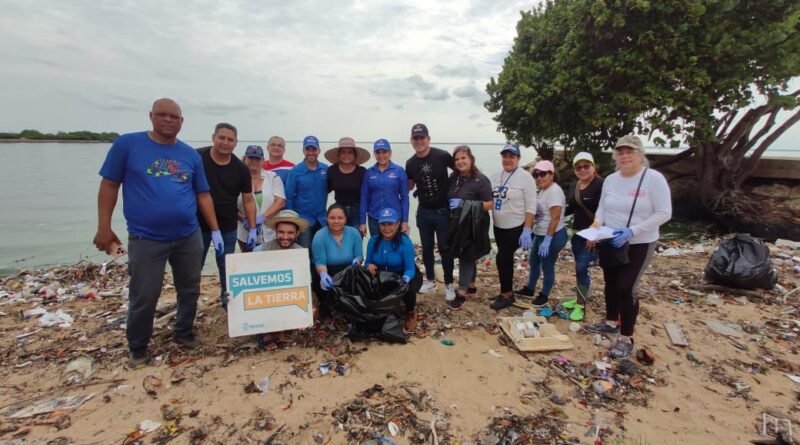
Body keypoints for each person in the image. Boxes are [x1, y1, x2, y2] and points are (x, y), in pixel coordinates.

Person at [93, 98, 221, 369]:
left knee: (190, 288)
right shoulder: (127, 145)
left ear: (181, 122)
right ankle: (138, 346)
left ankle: (183, 331)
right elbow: (109, 185)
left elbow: (203, 195)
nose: (168, 120)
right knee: (145, 294)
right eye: (162, 115)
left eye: (174, 116)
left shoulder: (190, 155)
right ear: (151, 116)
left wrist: (214, 229)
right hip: (146, 237)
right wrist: (104, 227)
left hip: (188, 234)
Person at [585, 135, 671, 359]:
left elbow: (664, 213)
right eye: (620, 152)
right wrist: (596, 227)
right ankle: (611, 322)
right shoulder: (611, 180)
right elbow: (602, 208)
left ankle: (626, 337)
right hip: (610, 239)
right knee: (611, 283)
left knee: (627, 287)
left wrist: (632, 231)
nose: (624, 156)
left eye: (629, 152)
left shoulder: (653, 179)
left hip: (640, 241)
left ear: (640, 154)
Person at [197, 123, 257, 307]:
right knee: (193, 269)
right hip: (197, 226)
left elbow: (248, 200)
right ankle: (189, 306)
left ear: (236, 143)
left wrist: (253, 228)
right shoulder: (197, 157)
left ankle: (228, 305)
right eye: (221, 138)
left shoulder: (241, 169)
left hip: (228, 226)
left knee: (226, 269)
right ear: (213, 137)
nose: (225, 142)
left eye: (230, 139)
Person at [405, 123, 456, 301]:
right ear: (411, 141)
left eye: (422, 138)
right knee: (426, 248)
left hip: (443, 211)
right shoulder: (410, 163)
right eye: (415, 138)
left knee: (445, 248)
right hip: (424, 211)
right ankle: (431, 281)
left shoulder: (441, 155)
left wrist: (454, 190)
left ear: (428, 139)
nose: (419, 141)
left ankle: (449, 284)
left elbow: (459, 171)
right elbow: (409, 185)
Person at [488, 143, 537, 310]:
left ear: (518, 158)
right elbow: (487, 199)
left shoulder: (526, 178)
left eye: (512, 156)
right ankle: (506, 289)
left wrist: (527, 229)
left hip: (516, 226)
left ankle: (506, 294)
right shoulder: (495, 176)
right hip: (498, 225)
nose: (508, 159)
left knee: (502, 258)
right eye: (505, 156)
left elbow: (531, 205)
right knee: (505, 259)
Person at [445, 145, 492, 310]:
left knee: (466, 255)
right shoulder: (454, 178)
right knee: (467, 255)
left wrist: (464, 203)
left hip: (475, 223)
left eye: (463, 158)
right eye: (457, 159)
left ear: (471, 159)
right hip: (458, 223)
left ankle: (462, 293)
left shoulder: (481, 179)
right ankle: (471, 285)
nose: (460, 161)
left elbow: (489, 204)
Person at [515, 160, 568, 308]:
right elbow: (541, 213)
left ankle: (544, 295)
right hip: (540, 233)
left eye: (543, 174)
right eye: (536, 175)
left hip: (553, 235)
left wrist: (548, 239)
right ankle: (530, 288)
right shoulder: (544, 190)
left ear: (551, 174)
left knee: (547, 265)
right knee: (533, 261)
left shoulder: (554, 191)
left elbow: (555, 217)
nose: (539, 178)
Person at [365, 208, 422, 331]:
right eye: (383, 224)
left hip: (404, 274)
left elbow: (410, 269)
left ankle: (410, 312)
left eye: (390, 224)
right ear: (379, 225)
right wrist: (369, 266)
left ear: (397, 224)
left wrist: (404, 279)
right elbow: (367, 262)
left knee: (409, 287)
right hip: (384, 276)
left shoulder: (405, 242)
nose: (387, 228)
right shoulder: (373, 241)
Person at [563, 151, 603, 321]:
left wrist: (595, 234)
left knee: (582, 267)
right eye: (579, 167)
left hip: (594, 236)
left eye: (587, 166)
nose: (583, 169)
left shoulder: (601, 185)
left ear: (593, 167)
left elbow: (606, 211)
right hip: (577, 234)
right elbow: (572, 208)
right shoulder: (575, 186)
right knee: (579, 268)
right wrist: (554, 215)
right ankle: (579, 297)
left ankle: (581, 306)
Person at [311, 204, 364, 316]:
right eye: (332, 218)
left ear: (345, 219)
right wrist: (323, 275)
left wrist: (356, 261)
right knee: (319, 280)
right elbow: (319, 261)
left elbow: (359, 256)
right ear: (327, 219)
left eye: (340, 218)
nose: (336, 221)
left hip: (348, 270)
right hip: (328, 270)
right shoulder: (319, 236)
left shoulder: (354, 233)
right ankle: (324, 305)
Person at [237, 145, 285, 252]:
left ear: (263, 160)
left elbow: (280, 201)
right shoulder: (236, 178)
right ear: (245, 159)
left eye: (257, 158)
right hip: (245, 233)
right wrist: (244, 219)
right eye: (251, 158)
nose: (254, 161)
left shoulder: (273, 177)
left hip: (270, 232)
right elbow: (229, 204)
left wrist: (262, 218)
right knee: (248, 262)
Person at [285, 135, 329, 248]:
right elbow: (289, 196)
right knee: (304, 252)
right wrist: (291, 220)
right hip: (303, 219)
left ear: (318, 150)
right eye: (308, 149)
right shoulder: (295, 171)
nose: (311, 152)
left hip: (322, 219)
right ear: (303, 150)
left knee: (322, 251)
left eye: (313, 149)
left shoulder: (325, 169)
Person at [359, 139, 409, 237]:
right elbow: (364, 198)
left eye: (384, 152)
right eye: (378, 152)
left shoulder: (399, 171)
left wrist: (405, 221)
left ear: (390, 153)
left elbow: (405, 198)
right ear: (374, 154)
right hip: (374, 218)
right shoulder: (369, 172)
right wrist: (362, 222)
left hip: (395, 219)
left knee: (395, 249)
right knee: (377, 248)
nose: (381, 156)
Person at [325, 137, 369, 228]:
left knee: (356, 238)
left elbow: (366, 196)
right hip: (338, 209)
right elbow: (324, 190)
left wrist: (363, 222)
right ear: (339, 155)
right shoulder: (332, 170)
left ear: (355, 155)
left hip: (357, 210)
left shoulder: (362, 171)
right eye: (343, 152)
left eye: (350, 152)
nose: (346, 155)